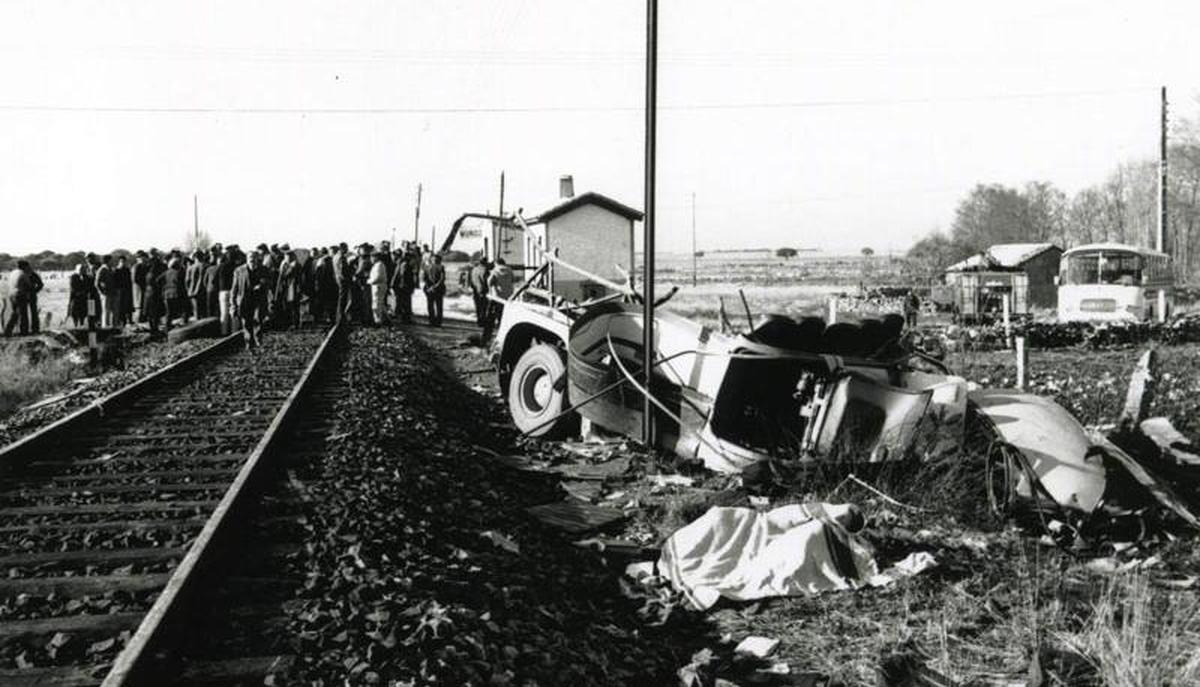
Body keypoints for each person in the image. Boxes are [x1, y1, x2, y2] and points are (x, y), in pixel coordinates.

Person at [231, 250, 271, 350]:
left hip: (258, 299)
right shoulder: (239, 271)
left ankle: (258, 340)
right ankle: (249, 342)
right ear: (247, 259)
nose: (252, 259)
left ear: (257, 259)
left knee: (258, 320)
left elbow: (269, 283)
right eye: (250, 257)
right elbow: (234, 288)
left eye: (254, 257)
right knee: (246, 321)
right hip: (245, 300)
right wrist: (233, 303)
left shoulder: (264, 270)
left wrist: (262, 285)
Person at [485, 257, 514, 339]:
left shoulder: (495, 271)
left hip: (497, 297)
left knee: (492, 316)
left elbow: (489, 282)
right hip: (508, 297)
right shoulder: (510, 270)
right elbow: (513, 280)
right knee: (505, 316)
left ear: (496, 263)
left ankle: (490, 336)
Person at [3, 261, 33, 336]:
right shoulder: (23, 274)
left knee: (15, 314)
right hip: (20, 295)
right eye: (27, 266)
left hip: (11, 294)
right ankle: (24, 332)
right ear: (24, 266)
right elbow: (29, 285)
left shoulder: (13, 273)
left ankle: (8, 330)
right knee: (23, 315)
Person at [275, 248, 302, 329]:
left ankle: (295, 323)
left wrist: (285, 268)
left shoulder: (295, 265)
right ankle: (289, 322)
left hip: (293, 288)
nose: (286, 257)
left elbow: (287, 274)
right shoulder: (286, 264)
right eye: (285, 256)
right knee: (287, 306)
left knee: (294, 306)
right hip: (287, 287)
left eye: (287, 256)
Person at [143, 250, 167, 335]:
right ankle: (154, 329)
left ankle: (153, 329)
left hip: (148, 292)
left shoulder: (147, 268)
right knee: (155, 312)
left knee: (151, 313)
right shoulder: (158, 268)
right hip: (154, 292)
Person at [163, 257, 188, 329]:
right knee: (185, 309)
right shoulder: (180, 272)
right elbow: (183, 284)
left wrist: (164, 287)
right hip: (177, 293)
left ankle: (167, 327)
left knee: (169, 313)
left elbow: (158, 280)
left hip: (167, 294)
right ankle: (185, 326)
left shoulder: (166, 272)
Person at [217, 247, 237, 334]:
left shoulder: (221, 266)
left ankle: (224, 332)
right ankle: (234, 331)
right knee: (233, 312)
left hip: (223, 291)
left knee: (224, 313)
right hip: (233, 291)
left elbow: (215, 280)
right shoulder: (236, 267)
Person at [422, 253, 446, 327]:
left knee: (431, 306)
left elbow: (424, 278)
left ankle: (432, 321)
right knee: (438, 306)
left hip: (430, 289)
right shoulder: (441, 267)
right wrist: (434, 286)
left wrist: (429, 287)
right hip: (438, 289)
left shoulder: (427, 267)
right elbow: (442, 279)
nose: (434, 260)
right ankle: (437, 322)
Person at [368, 252, 389, 325]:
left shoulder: (379, 265)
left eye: (372, 257)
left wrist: (368, 281)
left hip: (378, 286)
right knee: (380, 304)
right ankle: (386, 319)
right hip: (377, 286)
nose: (371, 259)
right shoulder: (377, 265)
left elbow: (377, 277)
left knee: (376, 304)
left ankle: (378, 321)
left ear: (376, 257)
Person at [93, 255, 114, 327]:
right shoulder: (102, 269)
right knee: (105, 310)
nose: (112, 262)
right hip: (105, 293)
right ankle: (105, 326)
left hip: (111, 292)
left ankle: (108, 325)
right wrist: (101, 292)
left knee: (109, 311)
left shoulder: (110, 269)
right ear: (107, 261)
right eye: (111, 260)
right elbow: (96, 283)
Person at [186, 251, 208, 319]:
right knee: (204, 311)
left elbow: (187, 280)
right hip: (203, 291)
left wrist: (188, 289)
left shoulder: (190, 267)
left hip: (192, 291)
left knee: (196, 311)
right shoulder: (206, 265)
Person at [468, 257, 489, 327]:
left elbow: (470, 280)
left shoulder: (474, 269)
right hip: (483, 290)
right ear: (485, 262)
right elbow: (486, 281)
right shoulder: (485, 270)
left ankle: (479, 321)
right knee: (484, 307)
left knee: (477, 306)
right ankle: (483, 321)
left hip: (475, 289)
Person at [114, 255, 133, 326]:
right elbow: (115, 281)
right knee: (120, 306)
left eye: (124, 261)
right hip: (119, 290)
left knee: (127, 306)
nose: (123, 263)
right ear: (119, 262)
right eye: (122, 261)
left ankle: (127, 320)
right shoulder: (116, 270)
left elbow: (129, 280)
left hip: (126, 289)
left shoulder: (127, 269)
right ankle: (121, 321)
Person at [132, 251, 149, 322]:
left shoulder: (145, 266)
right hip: (139, 288)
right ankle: (138, 319)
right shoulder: (136, 267)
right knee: (139, 304)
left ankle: (143, 318)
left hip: (144, 288)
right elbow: (135, 279)